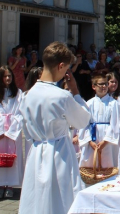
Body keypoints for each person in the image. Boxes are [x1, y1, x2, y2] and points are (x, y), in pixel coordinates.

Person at [18, 42, 90, 214]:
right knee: (62, 198)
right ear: (61, 66)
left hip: (36, 151)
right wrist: (75, 91)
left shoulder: (27, 95)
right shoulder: (62, 96)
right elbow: (82, 120)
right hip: (59, 153)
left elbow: (26, 131)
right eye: (67, 68)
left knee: (37, 197)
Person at [78, 74, 119, 175]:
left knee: (108, 164)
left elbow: (115, 123)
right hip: (92, 138)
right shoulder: (89, 103)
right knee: (91, 164)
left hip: (107, 139)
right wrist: (89, 141)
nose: (104, 86)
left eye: (105, 84)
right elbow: (84, 124)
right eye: (100, 84)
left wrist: (106, 140)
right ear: (94, 86)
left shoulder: (113, 103)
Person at [0, 66, 23, 199]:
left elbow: (20, 112)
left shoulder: (18, 92)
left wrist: (11, 131)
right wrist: (1, 130)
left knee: (12, 157)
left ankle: (10, 185)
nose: (8, 78)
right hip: (1, 131)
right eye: (5, 76)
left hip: (13, 130)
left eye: (10, 76)